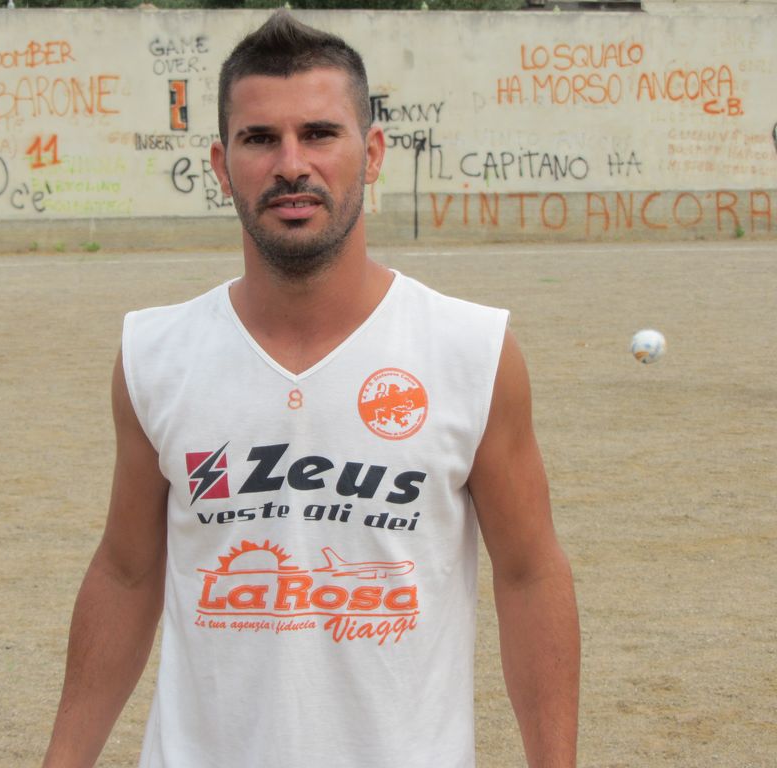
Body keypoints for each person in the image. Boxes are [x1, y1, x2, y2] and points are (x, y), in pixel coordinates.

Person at [42, 10, 579, 768]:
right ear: (221, 164)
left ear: (373, 152)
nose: (291, 164)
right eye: (260, 139)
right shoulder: (155, 355)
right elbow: (126, 573)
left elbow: (529, 574)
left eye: (320, 134)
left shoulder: (472, 351)